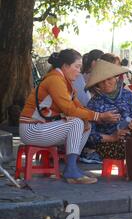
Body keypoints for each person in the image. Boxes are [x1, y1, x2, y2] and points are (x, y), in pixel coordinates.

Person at [19, 49, 120, 184]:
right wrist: (99, 116)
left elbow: (78, 107)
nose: (79, 71)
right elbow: (69, 109)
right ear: (65, 66)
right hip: (31, 129)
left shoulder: (66, 83)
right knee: (77, 123)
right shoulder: (55, 79)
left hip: (41, 127)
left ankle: (72, 166)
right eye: (76, 67)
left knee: (85, 125)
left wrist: (93, 116)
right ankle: (71, 169)